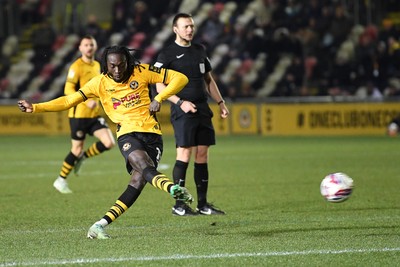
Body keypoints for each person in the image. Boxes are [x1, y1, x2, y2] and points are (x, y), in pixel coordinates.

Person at [18, 45, 193, 239]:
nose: (117, 70)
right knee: (143, 165)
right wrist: (35, 107)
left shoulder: (142, 71)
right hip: (127, 134)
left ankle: (99, 225)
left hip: (152, 135)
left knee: (138, 181)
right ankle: (173, 189)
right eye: (112, 66)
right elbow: (68, 101)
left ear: (127, 61)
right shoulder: (99, 83)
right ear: (106, 65)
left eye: (121, 65)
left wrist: (160, 97)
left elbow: (181, 78)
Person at [154, 13, 229, 216]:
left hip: (202, 108)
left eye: (192, 26)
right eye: (186, 26)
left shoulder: (199, 50)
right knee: (184, 153)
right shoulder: (167, 54)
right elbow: (159, 85)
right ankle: (179, 205)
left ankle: (203, 205)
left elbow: (208, 80)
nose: (190, 30)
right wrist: (180, 102)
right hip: (181, 109)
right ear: (175, 29)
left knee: (202, 154)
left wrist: (220, 103)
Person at [53, 35, 115, 194]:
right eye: (86, 45)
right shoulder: (76, 67)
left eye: (91, 45)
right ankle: (60, 180)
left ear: (95, 47)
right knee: (76, 148)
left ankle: (83, 157)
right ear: (80, 48)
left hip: (94, 115)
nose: (89, 47)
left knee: (108, 142)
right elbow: (68, 90)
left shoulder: (98, 66)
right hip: (78, 115)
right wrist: (86, 101)